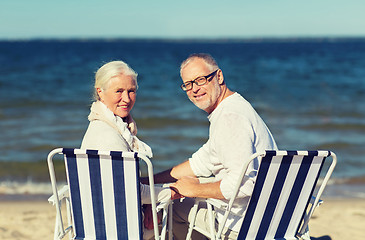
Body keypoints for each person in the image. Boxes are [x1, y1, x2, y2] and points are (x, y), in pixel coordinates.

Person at [149, 53, 278, 240]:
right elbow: (201, 162)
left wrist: (194, 189)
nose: (194, 89)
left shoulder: (229, 118)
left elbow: (244, 184)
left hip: (242, 225)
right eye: (188, 84)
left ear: (219, 77)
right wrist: (149, 181)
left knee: (172, 207)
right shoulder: (234, 107)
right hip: (269, 217)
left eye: (200, 80)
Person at [80, 60, 180, 238]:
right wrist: (174, 191)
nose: (126, 99)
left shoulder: (104, 126)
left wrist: (150, 202)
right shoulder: (108, 136)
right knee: (181, 211)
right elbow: (130, 190)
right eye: (118, 91)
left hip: (95, 223)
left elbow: (124, 186)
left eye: (131, 91)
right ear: (100, 92)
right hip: (119, 228)